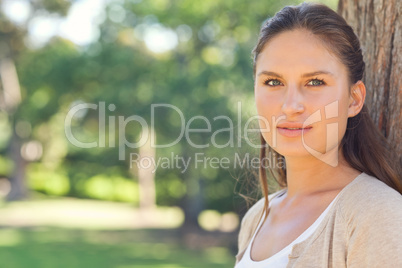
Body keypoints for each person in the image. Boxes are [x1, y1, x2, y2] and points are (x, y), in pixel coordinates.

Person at [235, 2, 402, 268]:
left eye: (315, 82)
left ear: (353, 99)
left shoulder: (378, 215)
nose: (290, 106)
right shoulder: (256, 219)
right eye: (273, 82)